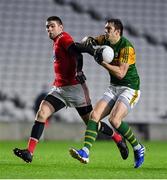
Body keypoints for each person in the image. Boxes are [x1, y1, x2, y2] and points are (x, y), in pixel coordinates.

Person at [13, 16, 128, 163]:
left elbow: (77, 50)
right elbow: (75, 53)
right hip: (60, 89)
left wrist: (83, 65)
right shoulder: (56, 42)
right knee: (42, 113)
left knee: (91, 123)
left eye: (52, 26)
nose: (49, 29)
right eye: (47, 27)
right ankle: (29, 152)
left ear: (61, 28)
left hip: (76, 89)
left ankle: (118, 139)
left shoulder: (63, 38)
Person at [69, 18, 145, 168]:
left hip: (130, 88)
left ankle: (138, 147)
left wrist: (102, 62)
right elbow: (90, 41)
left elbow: (121, 74)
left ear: (117, 32)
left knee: (115, 120)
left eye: (108, 29)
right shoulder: (105, 39)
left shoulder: (126, 48)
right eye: (105, 29)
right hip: (114, 87)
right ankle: (85, 152)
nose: (105, 32)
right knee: (94, 116)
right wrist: (88, 42)